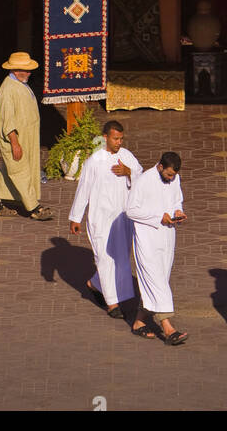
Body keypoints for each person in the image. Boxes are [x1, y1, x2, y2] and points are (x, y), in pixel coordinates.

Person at [68, 119, 143, 318]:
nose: (119, 142)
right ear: (105, 138)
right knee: (103, 258)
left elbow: (141, 176)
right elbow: (83, 189)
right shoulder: (94, 161)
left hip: (122, 218)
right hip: (100, 219)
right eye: (115, 138)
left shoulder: (127, 156)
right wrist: (76, 217)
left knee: (120, 257)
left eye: (121, 139)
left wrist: (129, 172)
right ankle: (112, 304)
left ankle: (96, 283)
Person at [126, 151, 187, 344]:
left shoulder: (174, 178)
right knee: (157, 281)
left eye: (174, 175)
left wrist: (178, 210)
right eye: (169, 174)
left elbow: (177, 199)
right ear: (160, 167)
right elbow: (131, 210)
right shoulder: (144, 181)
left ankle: (139, 322)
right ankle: (168, 328)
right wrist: (158, 216)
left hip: (167, 237)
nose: (172, 178)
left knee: (157, 280)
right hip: (147, 239)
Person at [0, 52, 52, 221]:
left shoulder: (19, 84)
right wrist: (15, 143)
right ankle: (34, 207)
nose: (28, 73)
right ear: (15, 70)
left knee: (10, 169)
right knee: (20, 171)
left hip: (26, 138)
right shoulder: (7, 90)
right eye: (25, 70)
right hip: (15, 139)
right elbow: (7, 121)